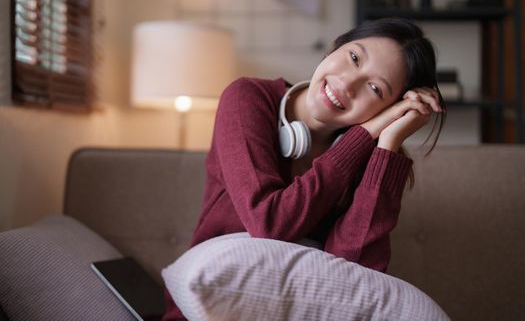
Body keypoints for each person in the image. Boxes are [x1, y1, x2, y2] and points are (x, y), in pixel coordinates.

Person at [162, 17, 445, 321]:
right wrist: (363, 134)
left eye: (375, 89)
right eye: (353, 58)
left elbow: (359, 270)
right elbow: (267, 223)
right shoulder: (248, 98)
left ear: (389, 110)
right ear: (336, 45)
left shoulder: (369, 156)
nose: (347, 84)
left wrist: (387, 143)